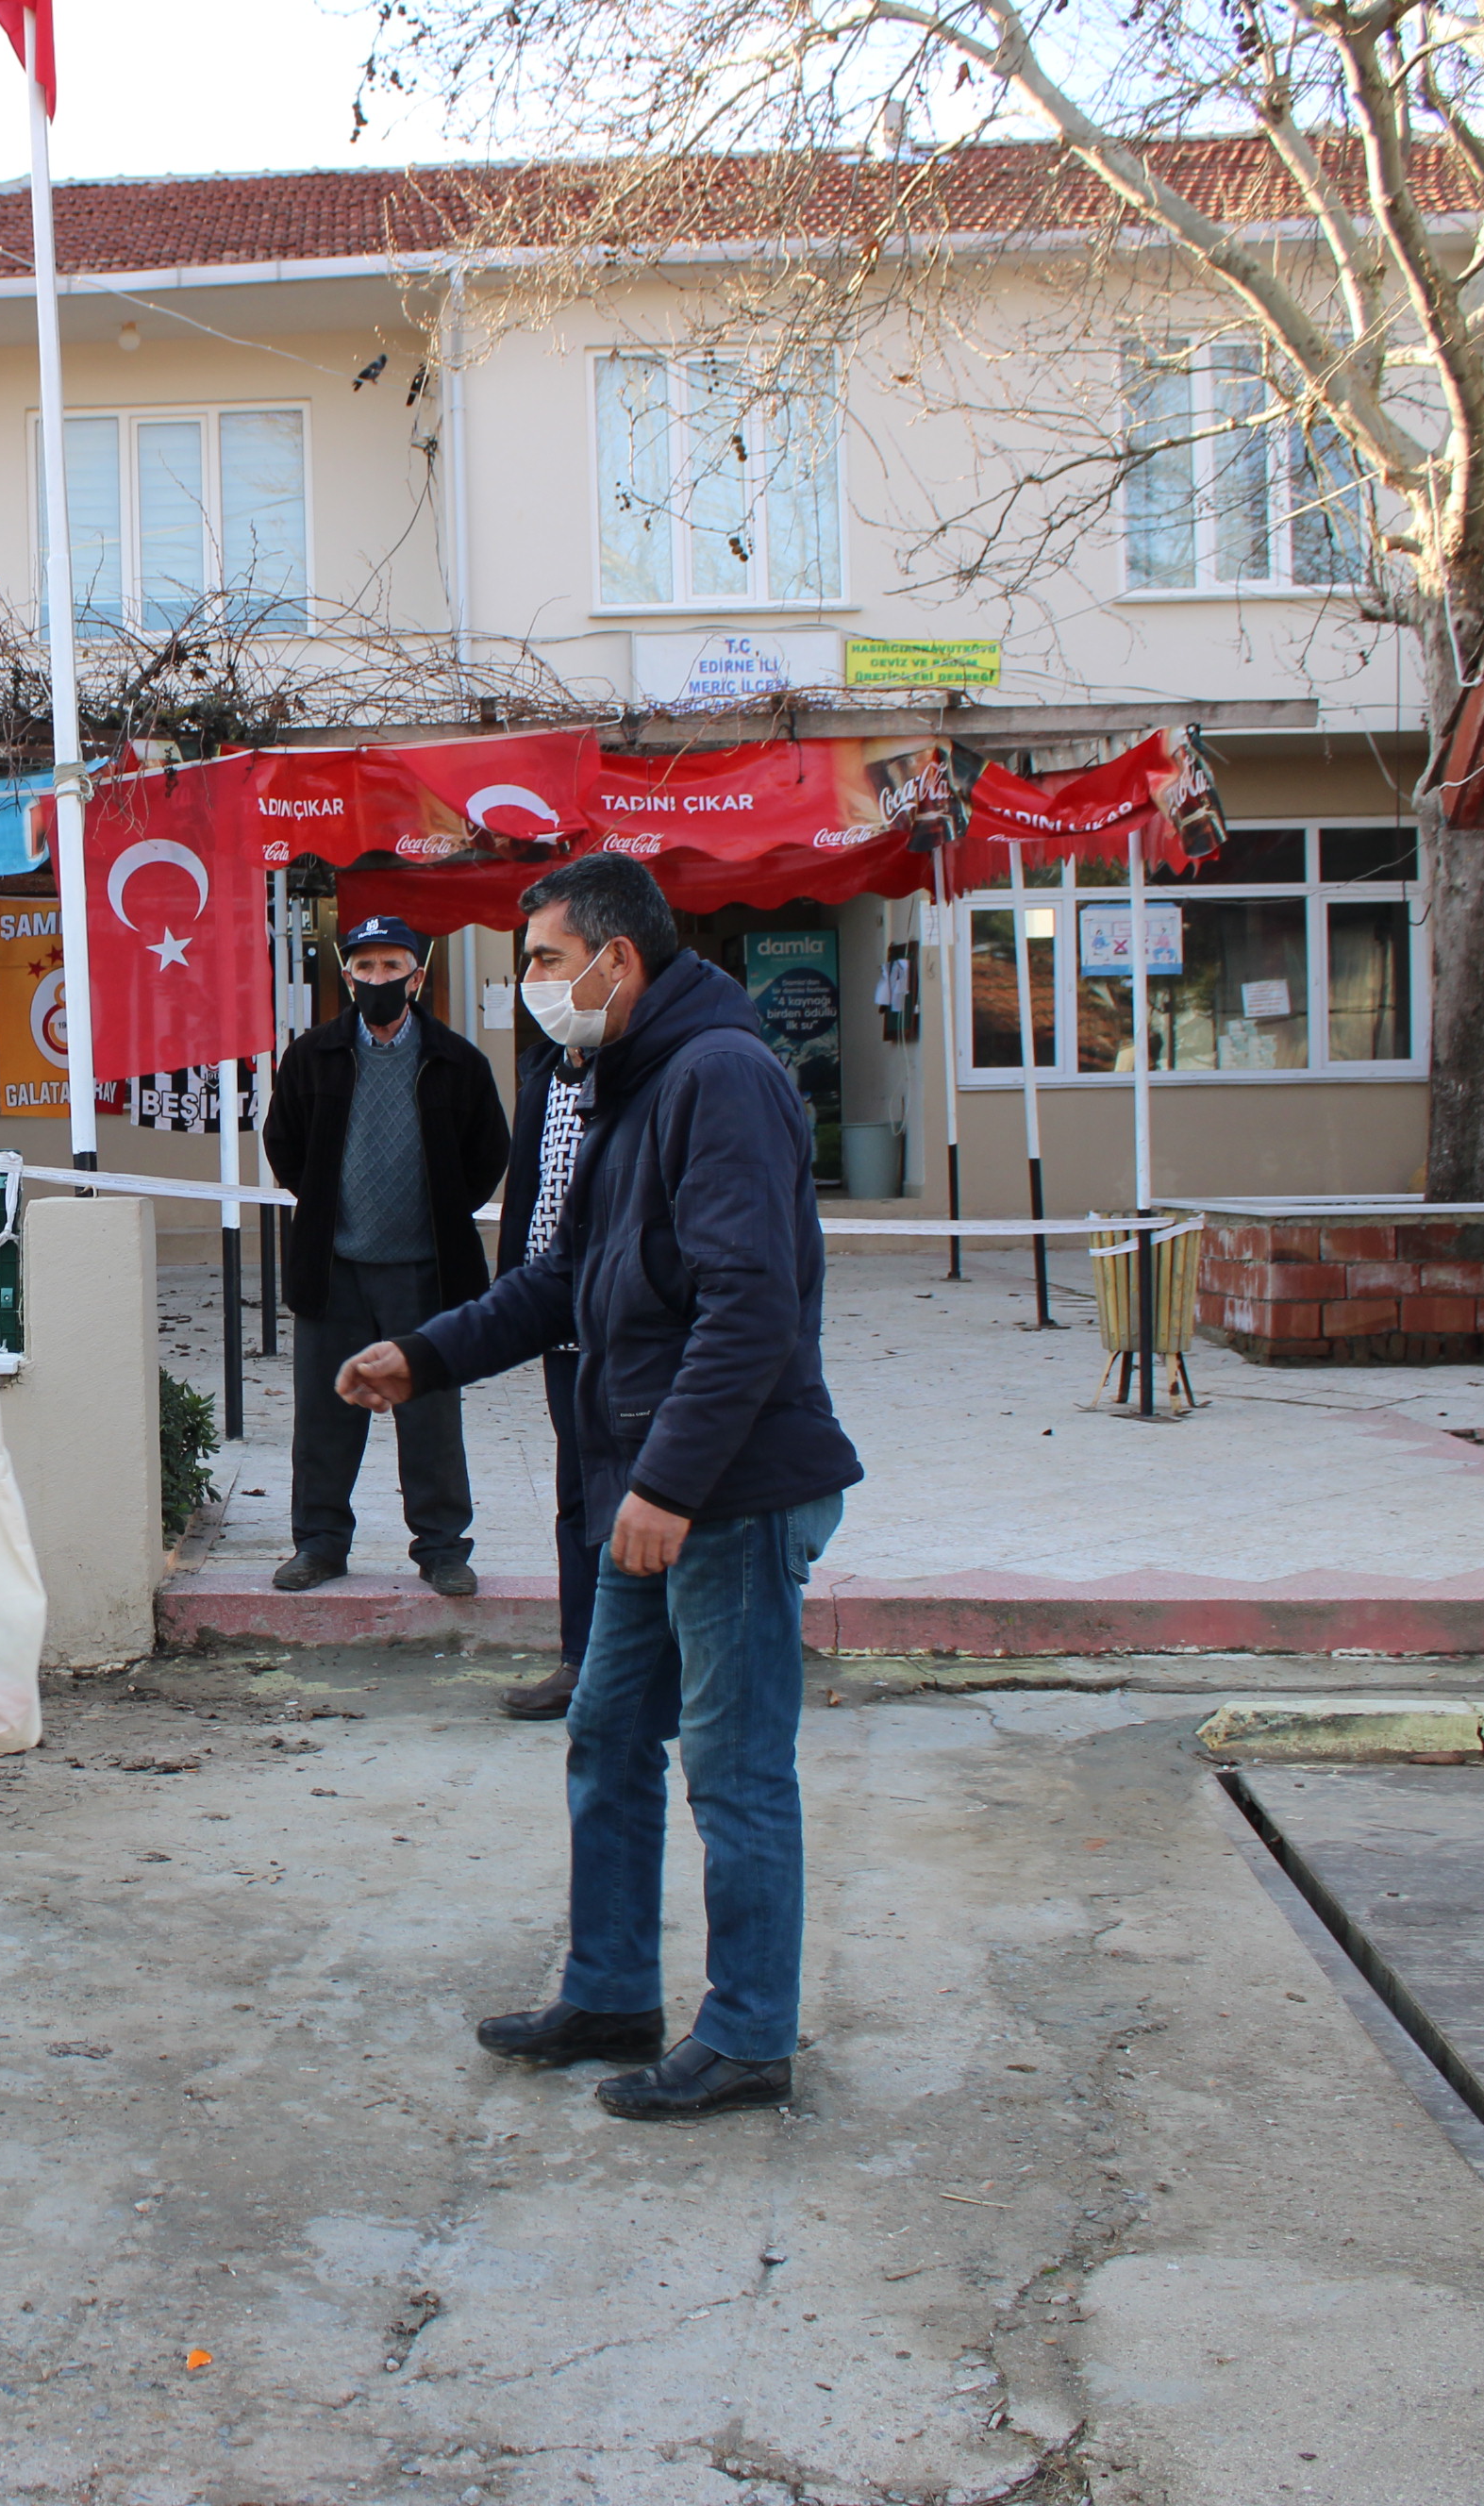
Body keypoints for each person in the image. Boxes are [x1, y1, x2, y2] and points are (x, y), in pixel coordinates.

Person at [337, 856, 859, 2121]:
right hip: (646, 1479)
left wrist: (671, 1486)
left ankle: (747, 2035)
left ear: (621, 959)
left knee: (734, 1770)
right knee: (610, 1735)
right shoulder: (624, 1078)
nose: (531, 989)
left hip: (720, 1495)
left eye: (546, 961)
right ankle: (614, 1989)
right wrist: (426, 1354)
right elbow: (563, 1277)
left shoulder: (719, 1078)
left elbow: (748, 1311)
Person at [258, 913, 509, 1597]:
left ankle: (442, 1549)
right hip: (334, 1270)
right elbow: (284, 1143)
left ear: (417, 977)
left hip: (426, 1270)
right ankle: (319, 1545)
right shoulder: (312, 1057)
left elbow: (489, 1151)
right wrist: (325, 1209)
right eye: (365, 969)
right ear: (347, 977)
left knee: (430, 1419)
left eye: (391, 968)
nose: (378, 980)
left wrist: (443, 1209)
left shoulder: (458, 1062)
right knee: (323, 1418)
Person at [487, 1000, 598, 1721]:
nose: (540, 983)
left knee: (647, 1493)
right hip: (558, 1323)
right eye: (533, 964)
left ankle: (657, 1662)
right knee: (579, 1495)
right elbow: (525, 1192)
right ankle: (580, 1658)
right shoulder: (542, 1073)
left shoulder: (657, 1075)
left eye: (555, 962)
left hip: (637, 1326)